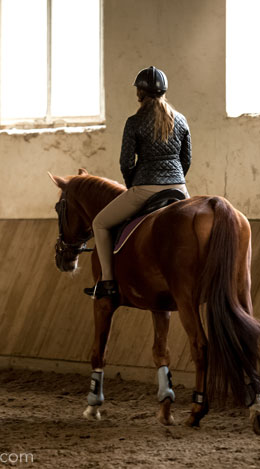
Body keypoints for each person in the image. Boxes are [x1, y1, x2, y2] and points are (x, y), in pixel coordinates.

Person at [86, 66, 191, 299]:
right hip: (179, 189)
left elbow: (125, 162)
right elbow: (187, 159)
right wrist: (176, 181)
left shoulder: (134, 122)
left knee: (100, 224)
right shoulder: (181, 121)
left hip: (145, 187)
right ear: (164, 91)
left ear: (140, 94)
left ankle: (107, 282)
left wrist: (133, 184)